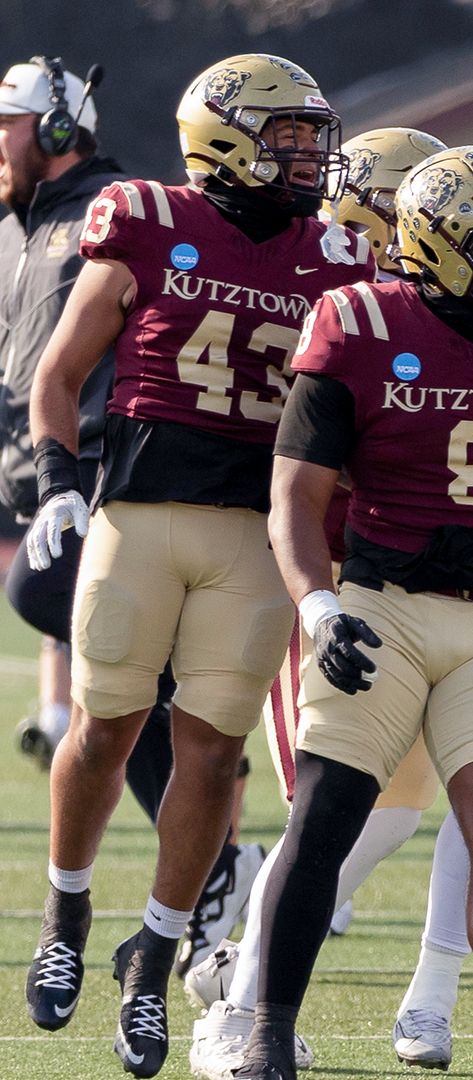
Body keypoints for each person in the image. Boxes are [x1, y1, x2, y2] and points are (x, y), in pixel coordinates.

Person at [20, 53, 375, 1077]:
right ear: (225, 138)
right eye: (291, 137)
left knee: (212, 757)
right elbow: (59, 371)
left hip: (258, 538)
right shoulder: (148, 218)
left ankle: (156, 955)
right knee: (101, 728)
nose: (312, 157)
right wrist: (54, 482)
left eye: (315, 136)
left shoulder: (339, 252)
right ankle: (66, 911)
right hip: (140, 511)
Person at [237, 143, 473, 1080]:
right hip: (383, 599)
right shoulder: (357, 321)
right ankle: (266, 1029)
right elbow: (293, 492)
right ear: (441, 245)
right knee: (330, 814)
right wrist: (320, 609)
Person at [0, 56, 123, 767]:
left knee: (45, 600)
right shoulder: (14, 232)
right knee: (100, 707)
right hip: (41, 479)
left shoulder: (111, 210)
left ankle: (224, 856)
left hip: (103, 475)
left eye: (8, 125)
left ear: (54, 128)